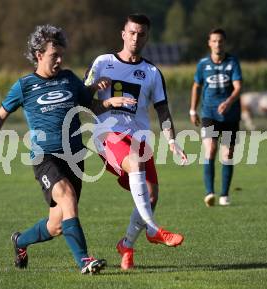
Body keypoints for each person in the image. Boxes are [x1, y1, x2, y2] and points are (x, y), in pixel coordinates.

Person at [0, 24, 134, 275]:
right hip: (45, 157)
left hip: (75, 156)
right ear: (38, 55)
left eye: (61, 55)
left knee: (57, 225)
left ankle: (20, 242)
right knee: (67, 197)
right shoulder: (24, 86)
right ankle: (84, 261)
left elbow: (91, 106)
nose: (59, 59)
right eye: (53, 55)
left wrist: (107, 100)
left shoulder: (69, 78)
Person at [84, 14, 187, 270]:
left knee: (151, 196)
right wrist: (99, 93)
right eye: (132, 32)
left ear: (147, 37)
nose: (136, 38)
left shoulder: (152, 72)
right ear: (123, 33)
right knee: (135, 163)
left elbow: (163, 111)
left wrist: (172, 142)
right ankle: (153, 230)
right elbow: (81, 101)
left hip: (139, 138)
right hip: (108, 134)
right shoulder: (102, 62)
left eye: (141, 34)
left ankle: (127, 245)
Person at [189, 28, 243, 207]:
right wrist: (192, 110)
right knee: (211, 148)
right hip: (209, 114)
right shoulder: (203, 64)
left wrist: (228, 102)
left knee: (227, 154)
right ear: (209, 43)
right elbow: (196, 86)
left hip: (230, 116)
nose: (217, 44)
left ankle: (224, 195)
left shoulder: (233, 62)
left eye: (220, 41)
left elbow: (238, 87)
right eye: (214, 41)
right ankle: (209, 193)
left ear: (224, 43)